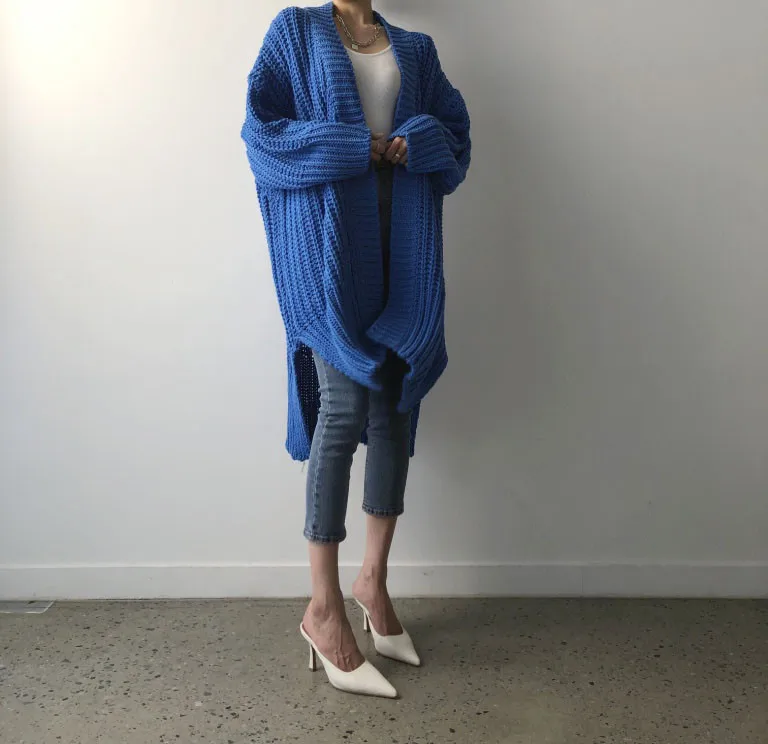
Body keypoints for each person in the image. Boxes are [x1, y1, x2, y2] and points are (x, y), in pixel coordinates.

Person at [241, 0, 470, 697]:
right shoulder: (295, 32)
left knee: (394, 412)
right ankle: (322, 606)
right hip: (330, 254)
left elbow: (456, 140)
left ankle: (372, 581)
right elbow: (262, 136)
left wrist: (416, 141)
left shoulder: (417, 50)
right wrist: (352, 146)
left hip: (404, 254)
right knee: (341, 412)